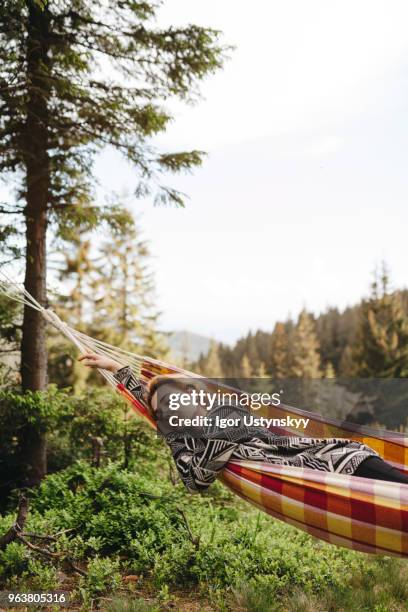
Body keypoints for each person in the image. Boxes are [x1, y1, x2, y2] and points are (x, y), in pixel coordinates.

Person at [79, 353, 408, 492]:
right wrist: (117, 369)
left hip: (327, 457)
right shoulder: (181, 442)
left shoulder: (223, 407)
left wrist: (218, 447)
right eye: (164, 410)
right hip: (307, 479)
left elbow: (241, 431)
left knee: (390, 481)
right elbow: (195, 482)